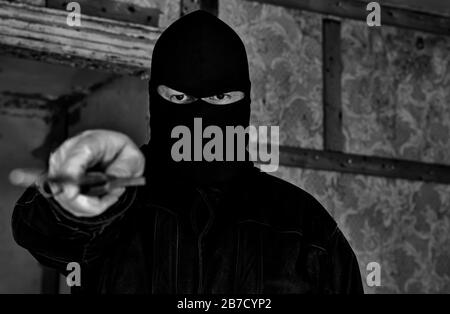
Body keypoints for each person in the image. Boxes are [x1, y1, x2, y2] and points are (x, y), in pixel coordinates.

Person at [12, 10, 363, 294]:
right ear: (154, 98)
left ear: (245, 101)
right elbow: (39, 231)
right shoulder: (116, 199)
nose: (199, 117)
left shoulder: (304, 229)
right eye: (178, 98)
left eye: (220, 99)